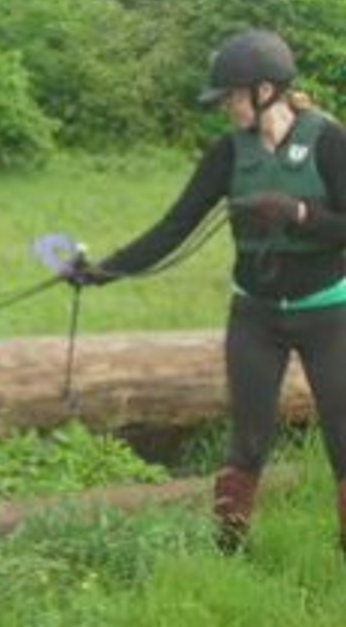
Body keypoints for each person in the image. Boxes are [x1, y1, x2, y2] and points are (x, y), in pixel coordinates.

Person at [68, 28, 346, 555]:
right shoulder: (228, 153)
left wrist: (298, 213)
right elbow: (174, 227)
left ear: (266, 91)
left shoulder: (330, 141)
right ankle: (229, 550)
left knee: (343, 440)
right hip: (256, 316)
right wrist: (100, 272)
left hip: (328, 312)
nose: (224, 107)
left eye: (231, 97)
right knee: (248, 441)